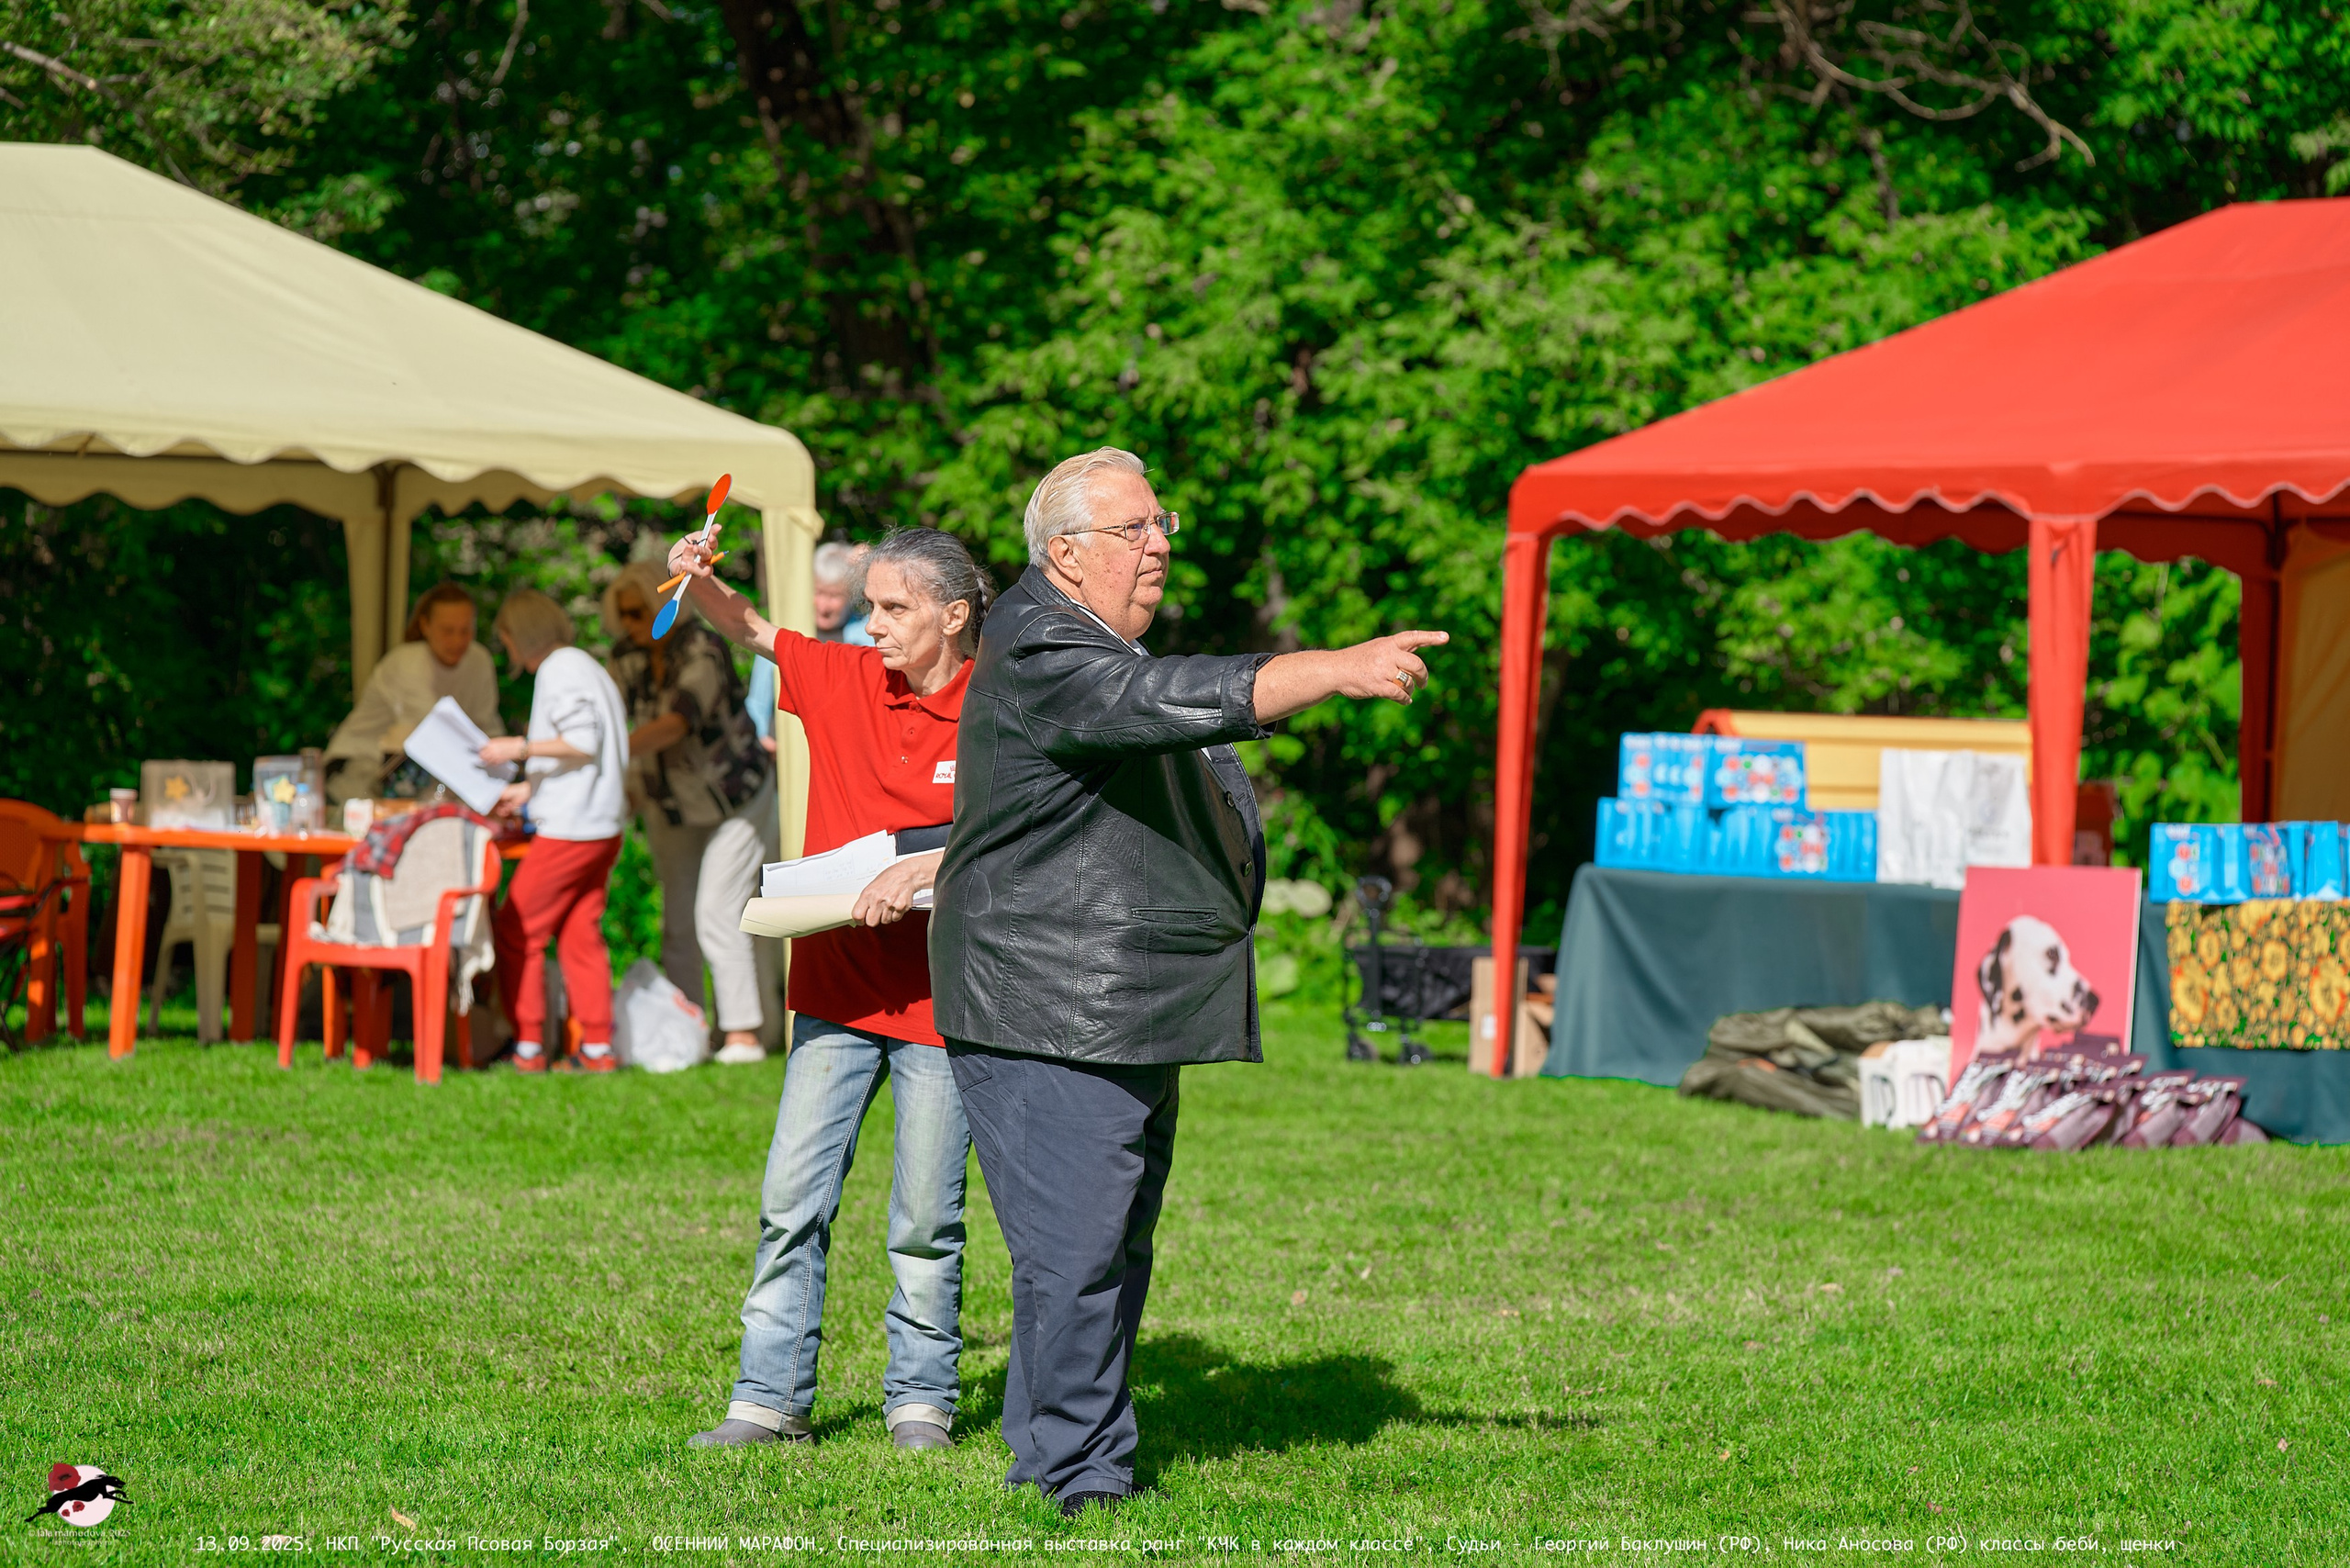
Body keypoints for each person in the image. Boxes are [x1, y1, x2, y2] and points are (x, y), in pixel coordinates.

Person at [929, 447, 1446, 1517]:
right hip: (1048, 1007)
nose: (1160, 543)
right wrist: (1331, 666)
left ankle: (1055, 1451)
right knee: (1076, 1255)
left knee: (1100, 1246)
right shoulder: (1041, 647)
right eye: (1134, 529)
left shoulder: (1079, 639)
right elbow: (1168, 695)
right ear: (1064, 555)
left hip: (1104, 1002)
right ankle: (1082, 1479)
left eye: (1162, 523)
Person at [667, 526, 990, 1454]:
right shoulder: (847, 676)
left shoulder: (1000, 708)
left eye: (894, 608)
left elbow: (1027, 831)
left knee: (927, 1219)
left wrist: (930, 865)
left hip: (942, 1003)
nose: (873, 624)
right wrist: (698, 580)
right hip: (834, 994)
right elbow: (755, 629)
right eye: (871, 606)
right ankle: (768, 1400)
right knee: (789, 1203)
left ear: (954, 614)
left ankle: (919, 1403)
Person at [602, 560, 779, 1065]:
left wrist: (608, 752)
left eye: (639, 612)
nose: (631, 623)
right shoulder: (625, 657)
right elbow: (619, 718)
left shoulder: (702, 646)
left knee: (719, 912)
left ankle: (744, 1034)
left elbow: (679, 720)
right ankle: (689, 1033)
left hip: (736, 795)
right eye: (625, 615)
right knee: (678, 921)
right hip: (671, 803)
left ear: (661, 604)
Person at [478, 588, 631, 1074]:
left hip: (571, 830)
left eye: (505, 640)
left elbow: (581, 742)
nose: (506, 650)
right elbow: (592, 752)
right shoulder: (585, 665)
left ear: (517, 636)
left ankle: (526, 1046)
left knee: (516, 928)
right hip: (600, 825)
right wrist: (530, 790)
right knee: (579, 934)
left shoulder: (559, 669)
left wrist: (516, 749)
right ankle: (597, 1048)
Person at [323, 582, 505, 803]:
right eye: (448, 631)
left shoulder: (479, 660)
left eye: (465, 630)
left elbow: (487, 726)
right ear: (425, 626)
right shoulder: (406, 662)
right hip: (360, 771)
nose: (457, 641)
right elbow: (430, 733)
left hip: (417, 776)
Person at [745, 540, 872, 751]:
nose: (823, 605)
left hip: (843, 751)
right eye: (819, 592)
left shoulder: (867, 635)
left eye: (834, 596)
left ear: (850, 595)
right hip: (783, 753)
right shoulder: (784, 629)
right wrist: (761, 736)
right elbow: (758, 697)